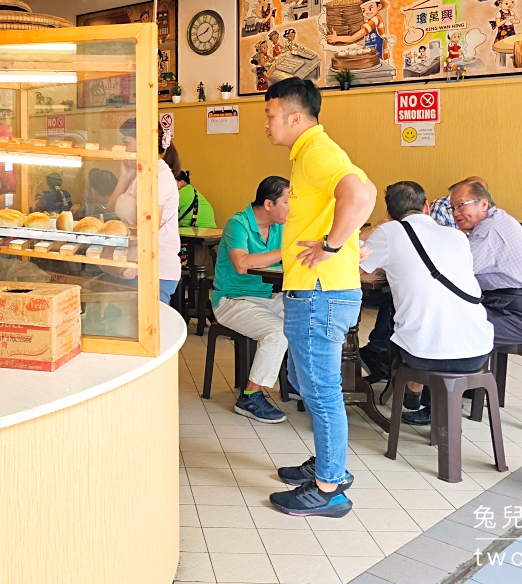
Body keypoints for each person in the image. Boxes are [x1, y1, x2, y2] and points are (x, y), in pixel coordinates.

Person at [262, 77, 377, 518]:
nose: (267, 125)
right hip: (323, 291)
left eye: (270, 116)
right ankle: (328, 466)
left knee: (321, 390)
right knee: (311, 382)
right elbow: (350, 199)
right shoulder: (315, 150)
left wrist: (331, 244)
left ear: (294, 116)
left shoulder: (316, 152)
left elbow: (361, 194)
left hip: (319, 292)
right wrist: (343, 241)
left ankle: (329, 487)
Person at [361, 182, 495, 426]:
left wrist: (378, 231)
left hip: (427, 356)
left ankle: (412, 394)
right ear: (426, 207)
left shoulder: (389, 232)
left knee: (395, 335)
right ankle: (419, 397)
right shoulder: (457, 236)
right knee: (422, 323)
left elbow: (357, 267)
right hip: (478, 351)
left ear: (389, 214)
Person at [211, 176, 291, 424]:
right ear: (269, 204)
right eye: (287, 202)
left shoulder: (279, 227)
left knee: (306, 312)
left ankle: (298, 383)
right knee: (278, 332)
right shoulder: (239, 224)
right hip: (231, 300)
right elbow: (242, 263)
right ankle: (250, 396)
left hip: (265, 297)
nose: (292, 208)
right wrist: (286, 251)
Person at [449, 179, 522, 344]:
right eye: (453, 208)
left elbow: (456, 271)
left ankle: (468, 370)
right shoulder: (497, 219)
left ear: (484, 204)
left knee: (450, 326)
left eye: (461, 205)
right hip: (521, 308)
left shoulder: (489, 230)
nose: (455, 213)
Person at [112, 118, 180, 305]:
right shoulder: (141, 173)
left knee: (149, 330)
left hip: (154, 270)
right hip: (136, 265)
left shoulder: (158, 176)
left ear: (142, 141)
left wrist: (130, 260)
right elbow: (112, 209)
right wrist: (124, 177)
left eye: (126, 142)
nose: (124, 148)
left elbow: (149, 226)